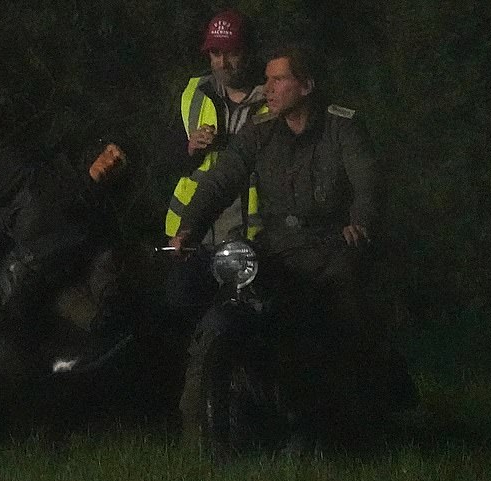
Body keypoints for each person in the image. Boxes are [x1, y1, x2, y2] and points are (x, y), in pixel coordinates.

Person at [171, 44, 417, 446]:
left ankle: (349, 417)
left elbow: (368, 183)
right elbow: (220, 181)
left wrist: (360, 223)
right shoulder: (261, 131)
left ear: (306, 86)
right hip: (277, 251)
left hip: (331, 249)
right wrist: (189, 229)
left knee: (345, 314)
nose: (268, 88)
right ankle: (214, 420)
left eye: (279, 79)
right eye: (267, 79)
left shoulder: (341, 127)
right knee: (233, 307)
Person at [164, 9, 266, 315]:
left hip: (250, 238)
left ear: (249, 53)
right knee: (179, 311)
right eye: (215, 53)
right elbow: (164, 161)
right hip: (193, 235)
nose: (222, 63)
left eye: (232, 53)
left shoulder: (273, 99)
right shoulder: (194, 94)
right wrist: (189, 148)